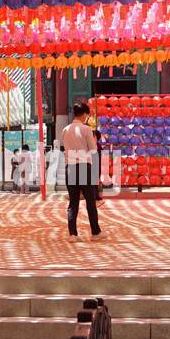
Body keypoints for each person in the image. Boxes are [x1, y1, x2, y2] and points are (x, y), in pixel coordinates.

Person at [61, 100, 101, 238]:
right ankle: (95, 232)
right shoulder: (86, 129)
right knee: (90, 201)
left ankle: (73, 233)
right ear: (84, 115)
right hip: (84, 166)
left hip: (70, 167)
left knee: (73, 203)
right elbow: (93, 149)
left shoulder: (65, 130)